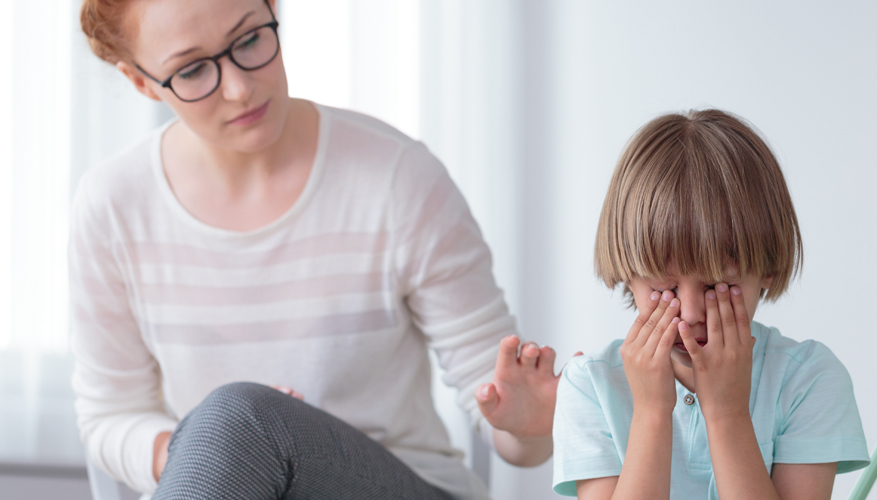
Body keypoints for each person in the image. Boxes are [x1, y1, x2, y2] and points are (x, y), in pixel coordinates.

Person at [71, 0, 561, 498]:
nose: (240, 88)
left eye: (249, 40)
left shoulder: (397, 178)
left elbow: (513, 425)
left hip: (404, 487)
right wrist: (210, 445)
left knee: (237, 419)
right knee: (233, 425)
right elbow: (111, 414)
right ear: (140, 81)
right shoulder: (112, 205)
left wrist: (526, 423)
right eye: (193, 70)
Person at [551, 110, 870, 499]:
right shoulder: (591, 385)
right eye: (665, 287)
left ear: (766, 270)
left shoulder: (808, 379)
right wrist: (652, 413)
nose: (689, 313)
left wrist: (726, 412)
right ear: (626, 272)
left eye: (717, 284)